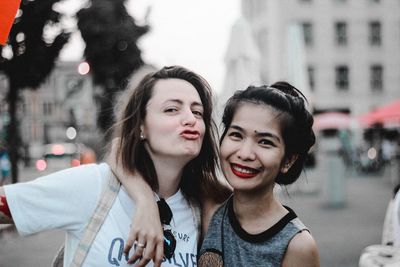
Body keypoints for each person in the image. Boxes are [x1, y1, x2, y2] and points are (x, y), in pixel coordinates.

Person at [0, 65, 228, 267]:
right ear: (141, 127)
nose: (190, 119)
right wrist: (144, 200)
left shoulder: (200, 206)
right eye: (172, 109)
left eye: (197, 112)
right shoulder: (94, 185)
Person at [119, 82, 320, 266]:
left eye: (265, 142)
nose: (244, 153)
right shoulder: (210, 202)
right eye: (236, 135)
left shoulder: (297, 245)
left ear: (288, 160)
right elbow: (118, 150)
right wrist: (146, 203)